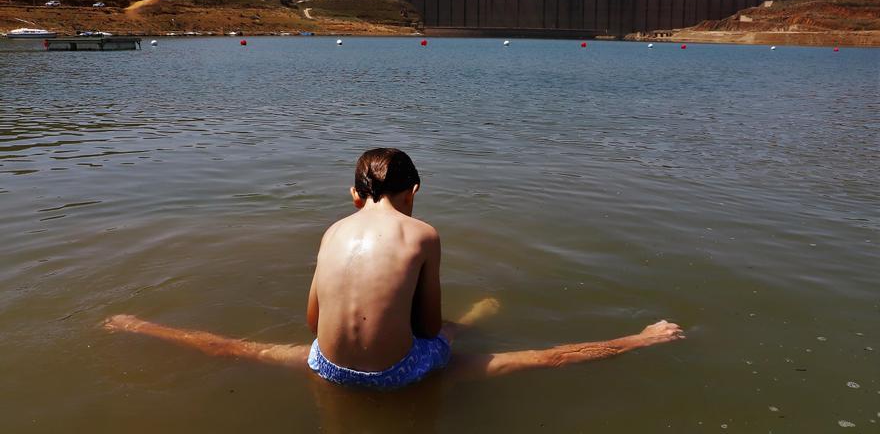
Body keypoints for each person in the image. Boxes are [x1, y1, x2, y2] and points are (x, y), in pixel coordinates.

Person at [104, 148, 685, 390]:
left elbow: (311, 324)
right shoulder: (423, 233)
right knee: (518, 355)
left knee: (238, 348)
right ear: (414, 191)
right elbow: (429, 330)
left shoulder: (332, 230)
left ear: (353, 194)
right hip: (400, 373)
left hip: (326, 368)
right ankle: (641, 339)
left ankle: (136, 325)